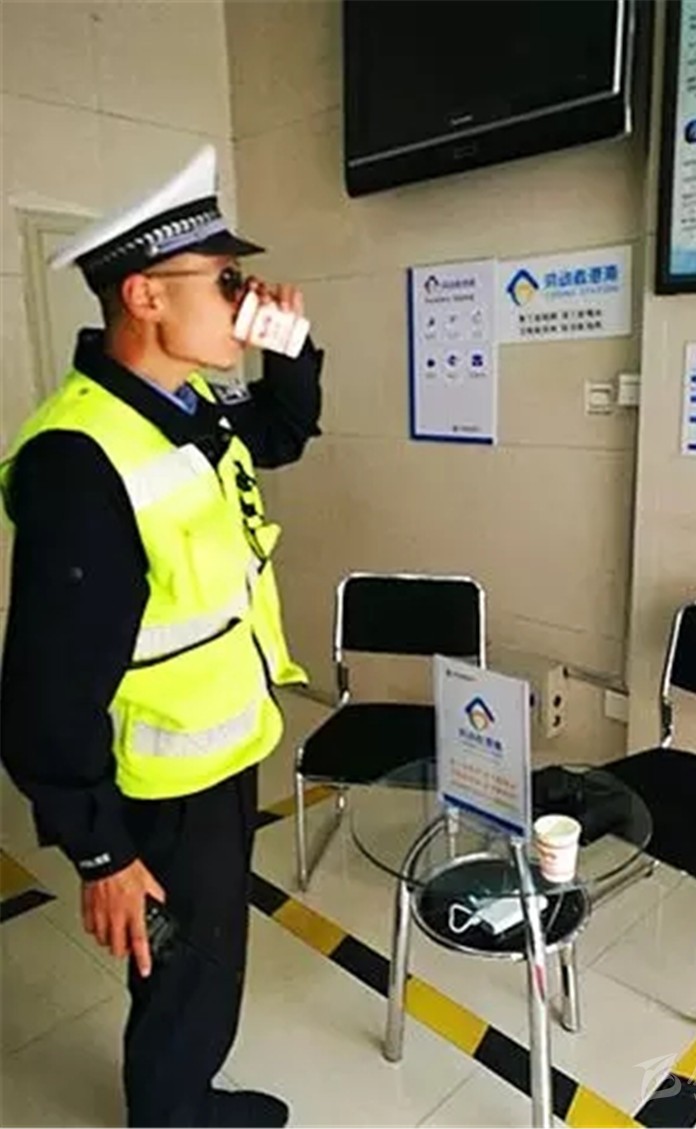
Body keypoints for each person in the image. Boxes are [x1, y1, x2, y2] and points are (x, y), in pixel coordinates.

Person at [0, 145, 323, 1128]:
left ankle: (181, 1099)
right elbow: (43, 692)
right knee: (188, 964)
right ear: (144, 295)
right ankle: (176, 1117)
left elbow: (281, 432)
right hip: (161, 778)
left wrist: (290, 346)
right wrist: (100, 853)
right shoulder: (79, 457)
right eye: (223, 282)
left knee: (202, 957)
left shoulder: (186, 406)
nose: (242, 299)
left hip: (217, 745)